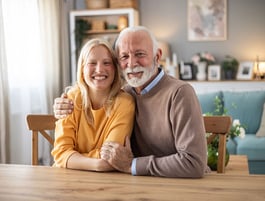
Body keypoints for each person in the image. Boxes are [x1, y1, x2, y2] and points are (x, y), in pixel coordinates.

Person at [54, 26, 207, 178]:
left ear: (157, 55)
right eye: (124, 56)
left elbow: (193, 163)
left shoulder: (180, 93)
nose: (132, 63)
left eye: (139, 54)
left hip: (174, 185)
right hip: (129, 183)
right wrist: (60, 107)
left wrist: (132, 165)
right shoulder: (126, 92)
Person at [51, 38, 135, 172]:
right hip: (65, 178)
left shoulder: (124, 103)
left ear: (115, 69)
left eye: (107, 63)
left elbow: (111, 158)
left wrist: (73, 158)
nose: (100, 69)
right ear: (82, 69)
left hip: (105, 182)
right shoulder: (70, 99)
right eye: (92, 63)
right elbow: (60, 154)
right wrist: (98, 164)